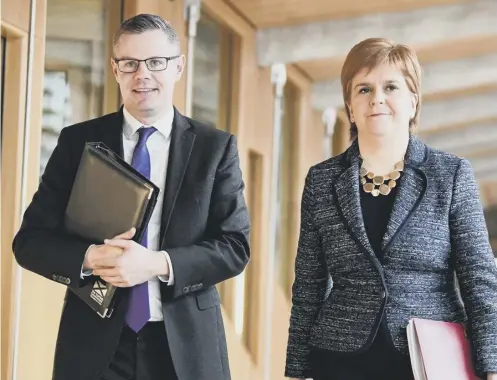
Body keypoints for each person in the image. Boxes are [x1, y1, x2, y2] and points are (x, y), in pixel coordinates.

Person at [12, 14, 250, 380]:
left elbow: (234, 246)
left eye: (156, 62)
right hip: (95, 344)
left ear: (178, 67)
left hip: (185, 347)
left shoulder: (214, 149)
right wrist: (91, 257)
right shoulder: (78, 142)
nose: (143, 74)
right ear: (115, 69)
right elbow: (29, 242)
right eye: (130, 63)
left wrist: (156, 264)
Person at [285, 38, 497, 380]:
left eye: (391, 87)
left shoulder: (451, 174)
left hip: (430, 358)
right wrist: (296, 369)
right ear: (350, 108)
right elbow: (309, 282)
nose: (377, 99)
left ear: (413, 102)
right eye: (364, 89)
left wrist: (492, 366)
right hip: (339, 358)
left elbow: (479, 278)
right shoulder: (322, 180)